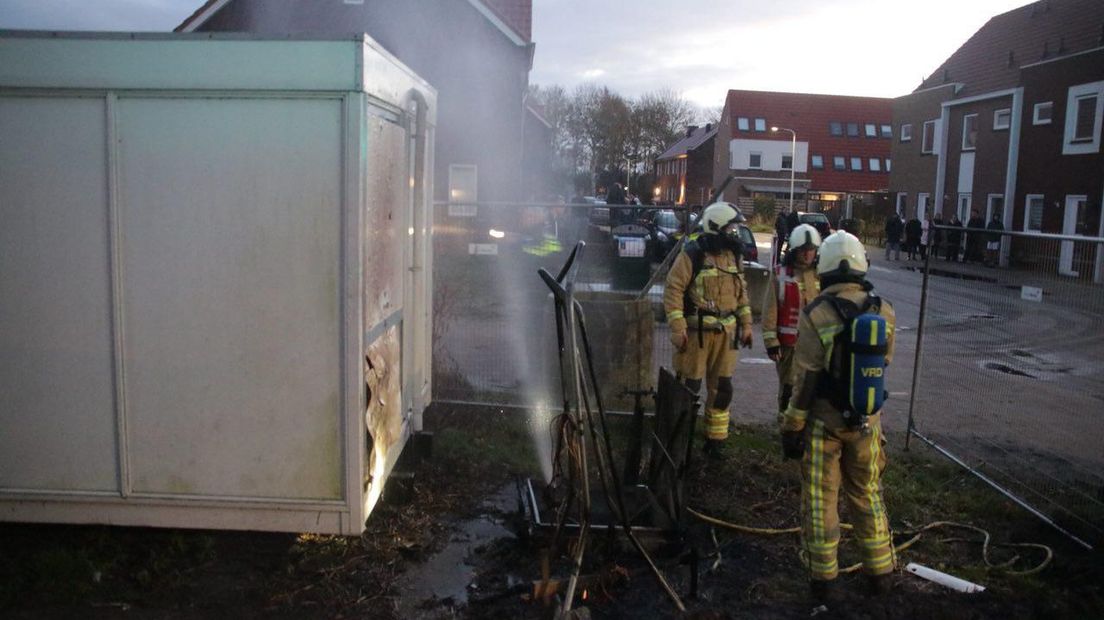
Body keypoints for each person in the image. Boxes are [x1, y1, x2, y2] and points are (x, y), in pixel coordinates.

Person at [779, 231, 897, 602]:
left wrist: (792, 425)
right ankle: (881, 574)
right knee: (868, 494)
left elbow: (807, 377)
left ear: (826, 268)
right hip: (867, 423)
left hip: (824, 426)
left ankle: (823, 582)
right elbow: (884, 361)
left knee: (820, 501)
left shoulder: (819, 313)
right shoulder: (884, 309)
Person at [664, 202, 754, 458]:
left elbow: (742, 294)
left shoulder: (733, 256)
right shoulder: (692, 254)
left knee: (722, 389)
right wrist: (677, 327)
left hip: (726, 336)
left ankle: (715, 441)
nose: (735, 233)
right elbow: (673, 290)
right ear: (716, 228)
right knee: (688, 388)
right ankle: (679, 439)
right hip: (696, 336)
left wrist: (746, 325)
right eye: (731, 228)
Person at [762, 224, 821, 424]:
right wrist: (771, 342)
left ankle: (806, 426)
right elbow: (770, 309)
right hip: (788, 345)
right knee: (788, 386)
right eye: (802, 250)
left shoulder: (820, 276)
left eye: (811, 250)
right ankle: (785, 425)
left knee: (812, 386)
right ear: (794, 250)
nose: (807, 255)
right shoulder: (780, 273)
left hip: (814, 345)